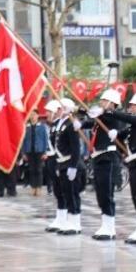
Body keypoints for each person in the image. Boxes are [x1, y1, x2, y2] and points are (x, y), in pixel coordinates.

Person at [103, 92, 136, 245]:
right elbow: (121, 135)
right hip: (134, 162)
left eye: (133, 105)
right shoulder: (134, 126)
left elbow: (128, 118)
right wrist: (115, 135)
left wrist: (111, 111)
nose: (131, 108)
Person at [87, 89, 124, 240]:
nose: (101, 103)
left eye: (104, 101)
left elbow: (106, 117)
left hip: (108, 158)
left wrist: (83, 110)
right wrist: (79, 121)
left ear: (112, 104)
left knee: (107, 193)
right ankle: (105, 223)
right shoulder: (101, 117)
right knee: (100, 193)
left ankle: (110, 227)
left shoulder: (113, 116)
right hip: (99, 157)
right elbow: (90, 120)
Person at [54, 99, 85, 235]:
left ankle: (75, 222)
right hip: (62, 162)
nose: (58, 111)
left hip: (70, 163)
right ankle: (69, 220)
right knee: (66, 193)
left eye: (61, 108)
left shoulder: (71, 124)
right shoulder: (62, 124)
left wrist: (73, 166)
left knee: (73, 193)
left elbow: (76, 148)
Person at [21, 110, 49, 196]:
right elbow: (23, 141)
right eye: (31, 115)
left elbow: (45, 139)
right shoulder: (26, 127)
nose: (32, 116)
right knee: (32, 170)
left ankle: (39, 187)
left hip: (39, 151)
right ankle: (33, 187)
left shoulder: (42, 126)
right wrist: (23, 153)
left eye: (34, 115)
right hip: (30, 151)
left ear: (37, 116)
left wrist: (45, 152)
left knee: (39, 169)